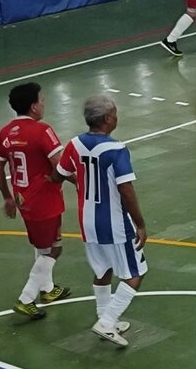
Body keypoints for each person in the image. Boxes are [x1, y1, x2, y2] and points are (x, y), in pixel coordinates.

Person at [55, 95, 147, 347]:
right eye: (115, 113)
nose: (117, 117)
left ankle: (105, 318)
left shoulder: (74, 144)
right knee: (136, 273)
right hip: (115, 223)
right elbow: (126, 190)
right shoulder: (116, 149)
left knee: (102, 269)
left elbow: (59, 174)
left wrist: (82, 183)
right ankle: (106, 321)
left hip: (87, 222)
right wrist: (140, 224)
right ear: (107, 119)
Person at [0, 81, 72, 320]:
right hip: (45, 200)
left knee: (41, 246)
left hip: (23, 199)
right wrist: (82, 184)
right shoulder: (42, 130)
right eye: (42, 100)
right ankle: (26, 298)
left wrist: (7, 197)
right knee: (54, 249)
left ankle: (47, 290)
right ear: (34, 107)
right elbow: (60, 165)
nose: (44, 103)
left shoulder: (6, 131)